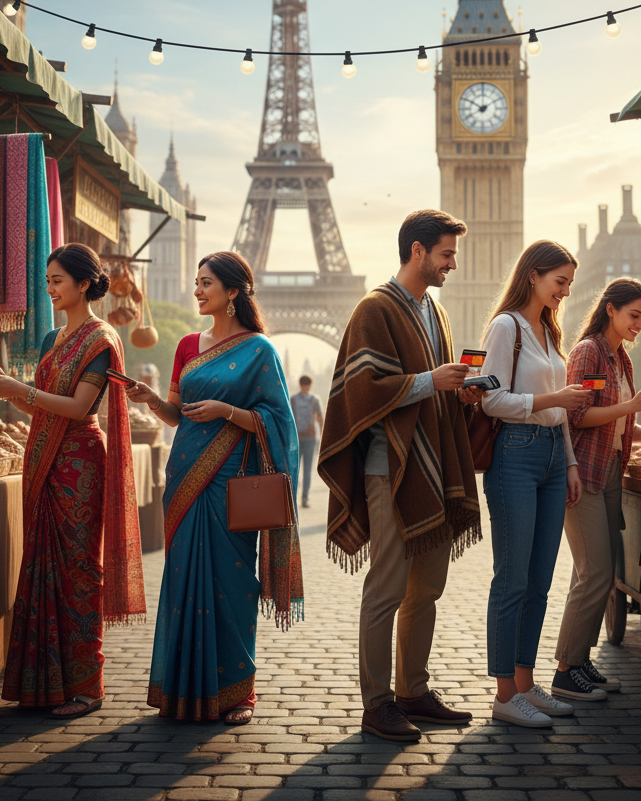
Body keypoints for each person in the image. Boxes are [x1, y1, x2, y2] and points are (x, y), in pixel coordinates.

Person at [319, 210, 481, 742]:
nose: (451, 265)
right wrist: (428, 380)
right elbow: (360, 387)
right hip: (387, 467)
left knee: (427, 588)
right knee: (386, 587)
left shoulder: (435, 311)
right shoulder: (374, 308)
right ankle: (376, 703)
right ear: (417, 250)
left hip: (430, 468)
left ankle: (413, 689)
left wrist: (459, 387)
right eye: (446, 255)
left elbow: (430, 387)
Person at [125, 251, 303, 726]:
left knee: (233, 582)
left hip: (231, 481)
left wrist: (227, 412)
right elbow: (177, 414)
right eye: (197, 282)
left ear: (233, 291)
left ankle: (238, 693)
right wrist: (152, 401)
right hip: (184, 476)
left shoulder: (259, 349)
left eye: (206, 283)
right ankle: (183, 689)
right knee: (184, 577)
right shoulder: (187, 345)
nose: (198, 290)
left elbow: (278, 423)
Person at [0, 244, 145, 718]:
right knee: (41, 566)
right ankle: (42, 684)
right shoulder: (55, 337)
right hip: (44, 459)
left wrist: (24, 390)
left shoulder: (101, 339)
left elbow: (78, 407)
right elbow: (40, 405)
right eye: (49, 280)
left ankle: (87, 687)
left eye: (57, 281)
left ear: (82, 283)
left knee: (78, 571)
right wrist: (6, 389)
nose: (50, 288)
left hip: (79, 463)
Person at [478, 241, 591, 728]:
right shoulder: (506, 327)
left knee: (541, 581)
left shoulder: (547, 329)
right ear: (533, 276)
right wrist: (551, 397)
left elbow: (562, 410)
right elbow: (489, 399)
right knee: (512, 579)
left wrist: (568, 463)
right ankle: (505, 695)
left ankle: (525, 684)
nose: (565, 291)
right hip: (516, 454)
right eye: (559, 281)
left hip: (548, 456)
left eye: (568, 283)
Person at [554, 278, 641, 701]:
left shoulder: (621, 358)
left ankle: (581, 661)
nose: (639, 324)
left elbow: (618, 424)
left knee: (594, 577)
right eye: (633, 315)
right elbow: (577, 416)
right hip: (583, 474)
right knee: (597, 574)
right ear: (611, 309)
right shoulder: (589, 351)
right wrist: (630, 405)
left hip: (608, 474)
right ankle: (565, 671)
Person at [290, 375, 323, 508]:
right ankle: (293, 498)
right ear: (300, 385)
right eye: (304, 385)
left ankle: (304, 498)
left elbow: (320, 418)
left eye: (307, 385)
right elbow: (289, 418)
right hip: (296, 439)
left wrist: (322, 436)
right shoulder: (293, 400)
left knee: (307, 469)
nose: (306, 387)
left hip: (310, 438)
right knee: (295, 469)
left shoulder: (314, 400)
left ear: (310, 386)